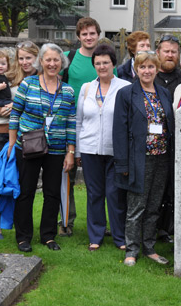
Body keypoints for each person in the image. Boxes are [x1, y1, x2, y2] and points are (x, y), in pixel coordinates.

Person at [8, 43, 76, 252]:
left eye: (56, 60)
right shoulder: (28, 84)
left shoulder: (68, 91)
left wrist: (70, 152)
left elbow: (71, 122)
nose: (52, 64)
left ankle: (48, 235)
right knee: (25, 192)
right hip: (28, 147)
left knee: (52, 193)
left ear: (61, 63)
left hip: (56, 149)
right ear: (41, 62)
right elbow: (15, 114)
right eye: (48, 60)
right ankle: (23, 237)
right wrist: (11, 144)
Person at [113, 51, 175, 266]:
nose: (147, 71)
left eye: (150, 67)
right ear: (136, 70)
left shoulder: (164, 93)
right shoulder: (126, 93)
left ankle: (149, 247)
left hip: (162, 158)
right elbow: (119, 131)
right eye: (142, 67)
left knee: (154, 206)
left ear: (157, 68)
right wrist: (123, 163)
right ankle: (131, 250)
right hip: (139, 159)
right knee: (136, 207)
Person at [0, 41, 39, 240]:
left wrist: (17, 107)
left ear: (36, 58)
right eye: (21, 58)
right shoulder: (8, 76)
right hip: (1, 132)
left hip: (26, 137)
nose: (24, 62)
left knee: (20, 183)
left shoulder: (40, 78)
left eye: (28, 58)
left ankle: (20, 225)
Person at [76, 44, 130, 251]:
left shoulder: (125, 87)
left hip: (115, 151)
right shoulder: (87, 88)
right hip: (90, 150)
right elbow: (79, 121)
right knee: (94, 194)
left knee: (115, 194)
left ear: (113, 64)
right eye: (97, 63)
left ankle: (119, 237)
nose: (101, 66)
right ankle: (96, 236)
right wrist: (78, 151)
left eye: (105, 62)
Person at [58, 17, 106, 237]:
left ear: (98, 34)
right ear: (78, 37)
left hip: (96, 127)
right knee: (66, 173)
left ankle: (102, 223)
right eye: (84, 34)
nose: (88, 37)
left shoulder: (104, 60)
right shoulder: (69, 59)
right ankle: (66, 220)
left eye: (92, 33)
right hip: (70, 123)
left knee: (99, 180)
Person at [154, 35, 181, 242]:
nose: (170, 55)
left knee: (175, 187)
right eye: (166, 51)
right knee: (156, 187)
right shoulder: (149, 76)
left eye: (174, 51)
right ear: (158, 53)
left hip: (179, 142)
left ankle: (170, 228)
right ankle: (153, 228)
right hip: (154, 142)